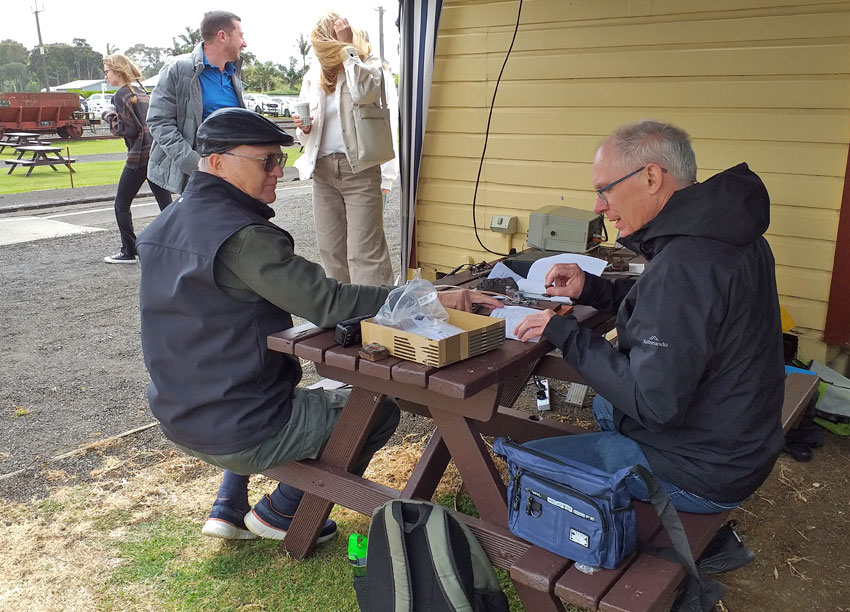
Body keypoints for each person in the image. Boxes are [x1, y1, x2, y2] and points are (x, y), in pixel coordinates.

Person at [136, 108, 502, 541]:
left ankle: (228, 505)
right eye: (266, 161)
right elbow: (329, 304)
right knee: (375, 410)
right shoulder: (243, 237)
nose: (279, 170)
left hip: (179, 413)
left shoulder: (163, 224)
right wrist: (425, 297)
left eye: (279, 159)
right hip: (242, 426)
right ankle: (284, 512)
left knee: (293, 394)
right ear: (218, 162)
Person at [513, 119, 785, 514]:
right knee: (605, 406)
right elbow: (675, 308)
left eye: (605, 190)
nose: (598, 207)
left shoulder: (686, 262)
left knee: (529, 467)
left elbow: (653, 406)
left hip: (704, 472)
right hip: (739, 439)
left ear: (652, 177)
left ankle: (630, 518)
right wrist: (592, 289)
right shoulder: (728, 234)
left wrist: (564, 332)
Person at [294, 12, 395, 286]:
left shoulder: (367, 64)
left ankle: (373, 310)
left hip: (359, 169)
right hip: (322, 171)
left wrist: (348, 50)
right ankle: (344, 309)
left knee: (365, 253)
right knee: (332, 251)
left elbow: (365, 93)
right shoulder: (313, 74)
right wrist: (304, 129)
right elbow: (308, 130)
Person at [146, 10, 246, 194]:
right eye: (240, 36)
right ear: (222, 36)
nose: (244, 43)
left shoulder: (233, 73)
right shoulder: (178, 69)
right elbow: (159, 122)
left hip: (232, 173)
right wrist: (196, 164)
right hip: (197, 176)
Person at [100, 54, 173, 264]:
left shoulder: (122, 95)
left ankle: (129, 251)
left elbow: (128, 129)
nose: (105, 76)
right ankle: (178, 243)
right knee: (166, 205)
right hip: (155, 154)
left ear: (118, 71)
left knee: (121, 205)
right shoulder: (141, 91)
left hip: (138, 156)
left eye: (107, 71)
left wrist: (108, 115)